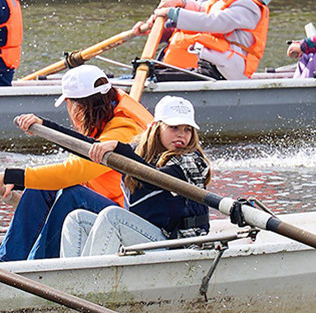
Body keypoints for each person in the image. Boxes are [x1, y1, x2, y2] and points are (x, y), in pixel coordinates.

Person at [0, 64, 152, 261]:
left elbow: (76, 171)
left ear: (80, 107)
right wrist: (19, 181)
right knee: (40, 187)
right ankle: (7, 262)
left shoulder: (124, 129)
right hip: (107, 202)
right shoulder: (108, 114)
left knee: (72, 195)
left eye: (69, 105)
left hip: (129, 217)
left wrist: (10, 175)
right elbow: (77, 158)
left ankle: (37, 266)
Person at [59, 96, 212, 258]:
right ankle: (73, 277)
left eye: (187, 129)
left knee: (113, 217)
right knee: (76, 219)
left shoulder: (191, 160)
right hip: (149, 237)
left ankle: (92, 280)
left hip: (180, 244)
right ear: (156, 127)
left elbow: (155, 180)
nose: (181, 135)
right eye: (174, 127)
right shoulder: (139, 152)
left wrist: (118, 147)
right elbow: (87, 145)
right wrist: (43, 125)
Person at [138, 0, 271, 80]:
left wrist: (173, 14)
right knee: (158, 73)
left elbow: (214, 22)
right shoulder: (227, 0)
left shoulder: (248, 7)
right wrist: (181, 2)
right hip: (215, 64)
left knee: (158, 76)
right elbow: (203, 9)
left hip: (231, 70)